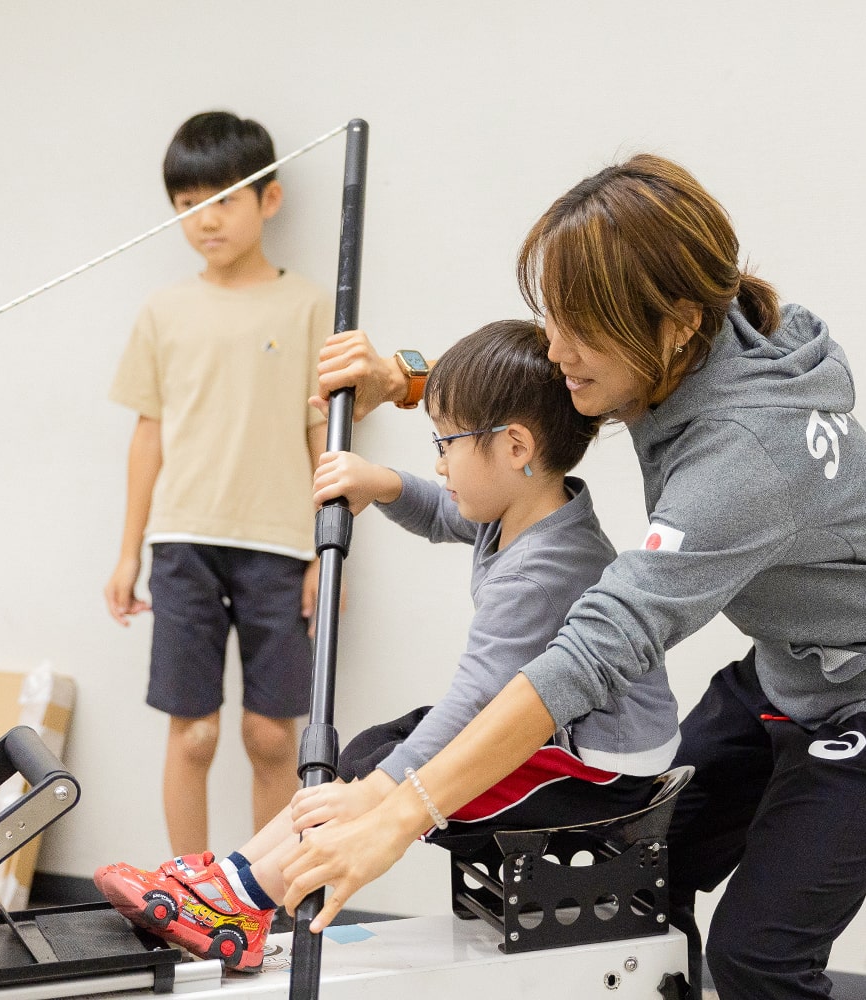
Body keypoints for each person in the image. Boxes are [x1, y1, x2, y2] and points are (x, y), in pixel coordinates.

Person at [281, 154, 866, 1000]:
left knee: (758, 955)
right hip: (796, 660)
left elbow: (593, 651)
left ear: (674, 323)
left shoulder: (742, 459)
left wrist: (403, 812)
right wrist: (411, 380)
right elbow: (546, 394)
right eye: (552, 321)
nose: (558, 351)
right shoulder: (711, 326)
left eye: (579, 331)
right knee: (641, 872)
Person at [93, 319, 681, 971]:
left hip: (595, 771)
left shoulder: (545, 570)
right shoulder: (524, 509)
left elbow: (475, 702)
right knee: (371, 753)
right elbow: (440, 510)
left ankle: (242, 898)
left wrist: (388, 792)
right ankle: (235, 875)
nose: (438, 462)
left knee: (378, 775)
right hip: (560, 736)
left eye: (447, 443)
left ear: (514, 446)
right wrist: (382, 483)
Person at [103, 111, 332, 858]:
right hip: (181, 546)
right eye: (186, 204)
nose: (205, 220)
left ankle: (263, 894)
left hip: (278, 545)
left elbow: (318, 435)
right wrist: (128, 551)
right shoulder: (164, 311)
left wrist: (324, 553)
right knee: (193, 733)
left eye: (223, 200)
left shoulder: (306, 306)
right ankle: (188, 892)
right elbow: (150, 434)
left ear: (270, 199)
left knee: (271, 736)